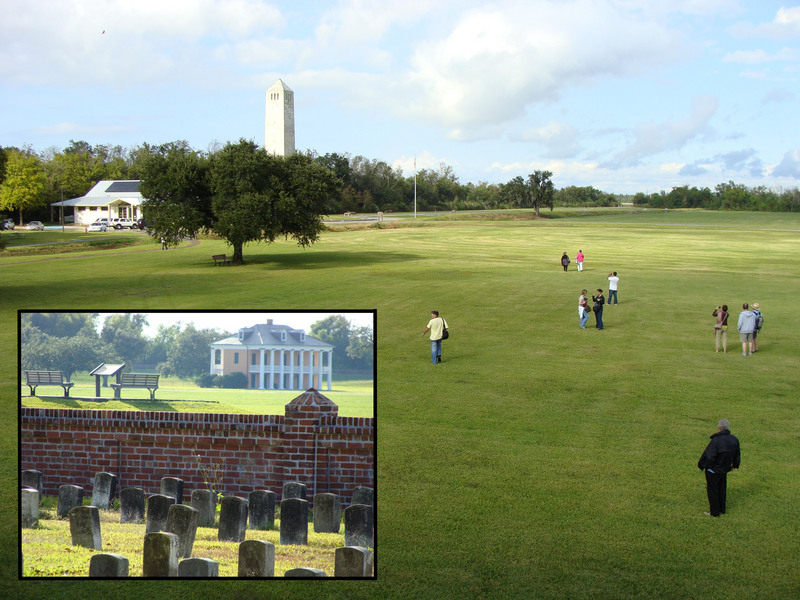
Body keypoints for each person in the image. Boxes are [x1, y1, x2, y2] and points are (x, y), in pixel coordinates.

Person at [697, 418, 741, 517]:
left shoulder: (715, 441)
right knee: (722, 489)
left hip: (713, 470)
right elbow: (737, 455)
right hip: (725, 469)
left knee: (713, 491)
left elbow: (709, 456)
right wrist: (735, 465)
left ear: (718, 428)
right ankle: (722, 509)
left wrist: (703, 465)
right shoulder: (734, 440)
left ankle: (714, 512)